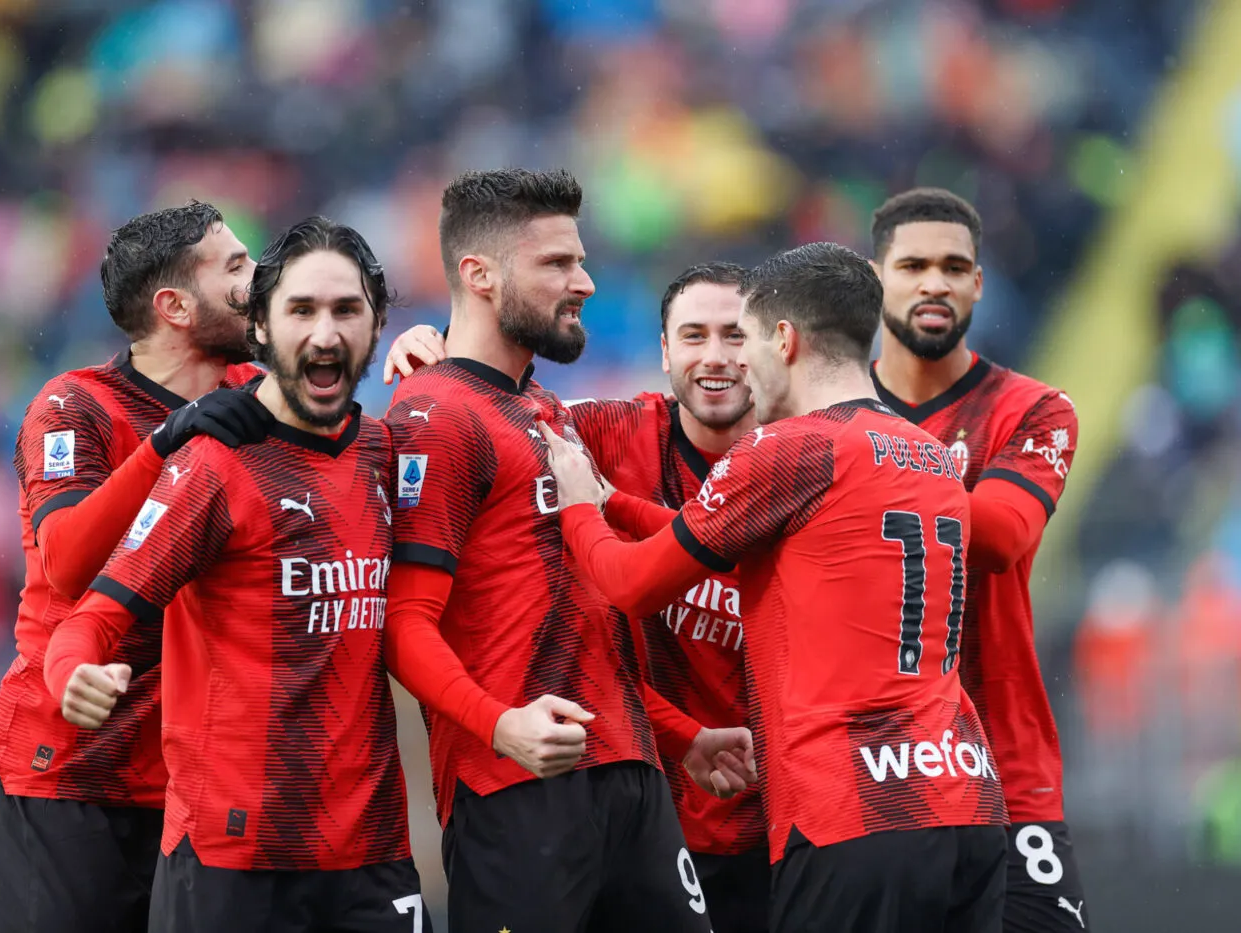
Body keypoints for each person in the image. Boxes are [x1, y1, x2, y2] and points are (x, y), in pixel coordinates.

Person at [543, 242, 1010, 933]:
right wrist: (620, 501)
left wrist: (581, 503)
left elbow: (631, 585)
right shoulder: (932, 456)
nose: (738, 364)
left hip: (854, 811)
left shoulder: (789, 448)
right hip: (967, 801)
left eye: (747, 339)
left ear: (785, 340)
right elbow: (766, 554)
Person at [383, 168, 752, 933]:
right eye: (556, 263)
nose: (583, 280)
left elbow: (571, 624)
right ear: (477, 275)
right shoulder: (436, 414)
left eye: (579, 260)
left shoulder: (546, 409)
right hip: (518, 786)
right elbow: (405, 624)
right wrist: (500, 726)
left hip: (631, 775)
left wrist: (682, 737)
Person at [43, 216, 430, 933]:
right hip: (234, 860)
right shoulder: (212, 466)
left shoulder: (384, 452)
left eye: (347, 310)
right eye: (302, 310)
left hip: (372, 854)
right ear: (260, 327)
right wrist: (72, 672)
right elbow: (90, 615)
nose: (325, 333)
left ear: (378, 325)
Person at [0, 201, 272, 933]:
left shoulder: (256, 396)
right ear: (175, 307)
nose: (259, 280)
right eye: (235, 267)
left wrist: (420, 352)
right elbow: (67, 560)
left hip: (186, 789)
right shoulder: (76, 406)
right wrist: (170, 441)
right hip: (60, 779)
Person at [868, 188, 1087, 931]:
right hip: (870, 772)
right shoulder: (816, 415)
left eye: (955, 266)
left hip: (1004, 767)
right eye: (914, 264)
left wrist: (862, 465)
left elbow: (998, 536)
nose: (936, 281)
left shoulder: (1031, 409)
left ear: (979, 285)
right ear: (877, 279)